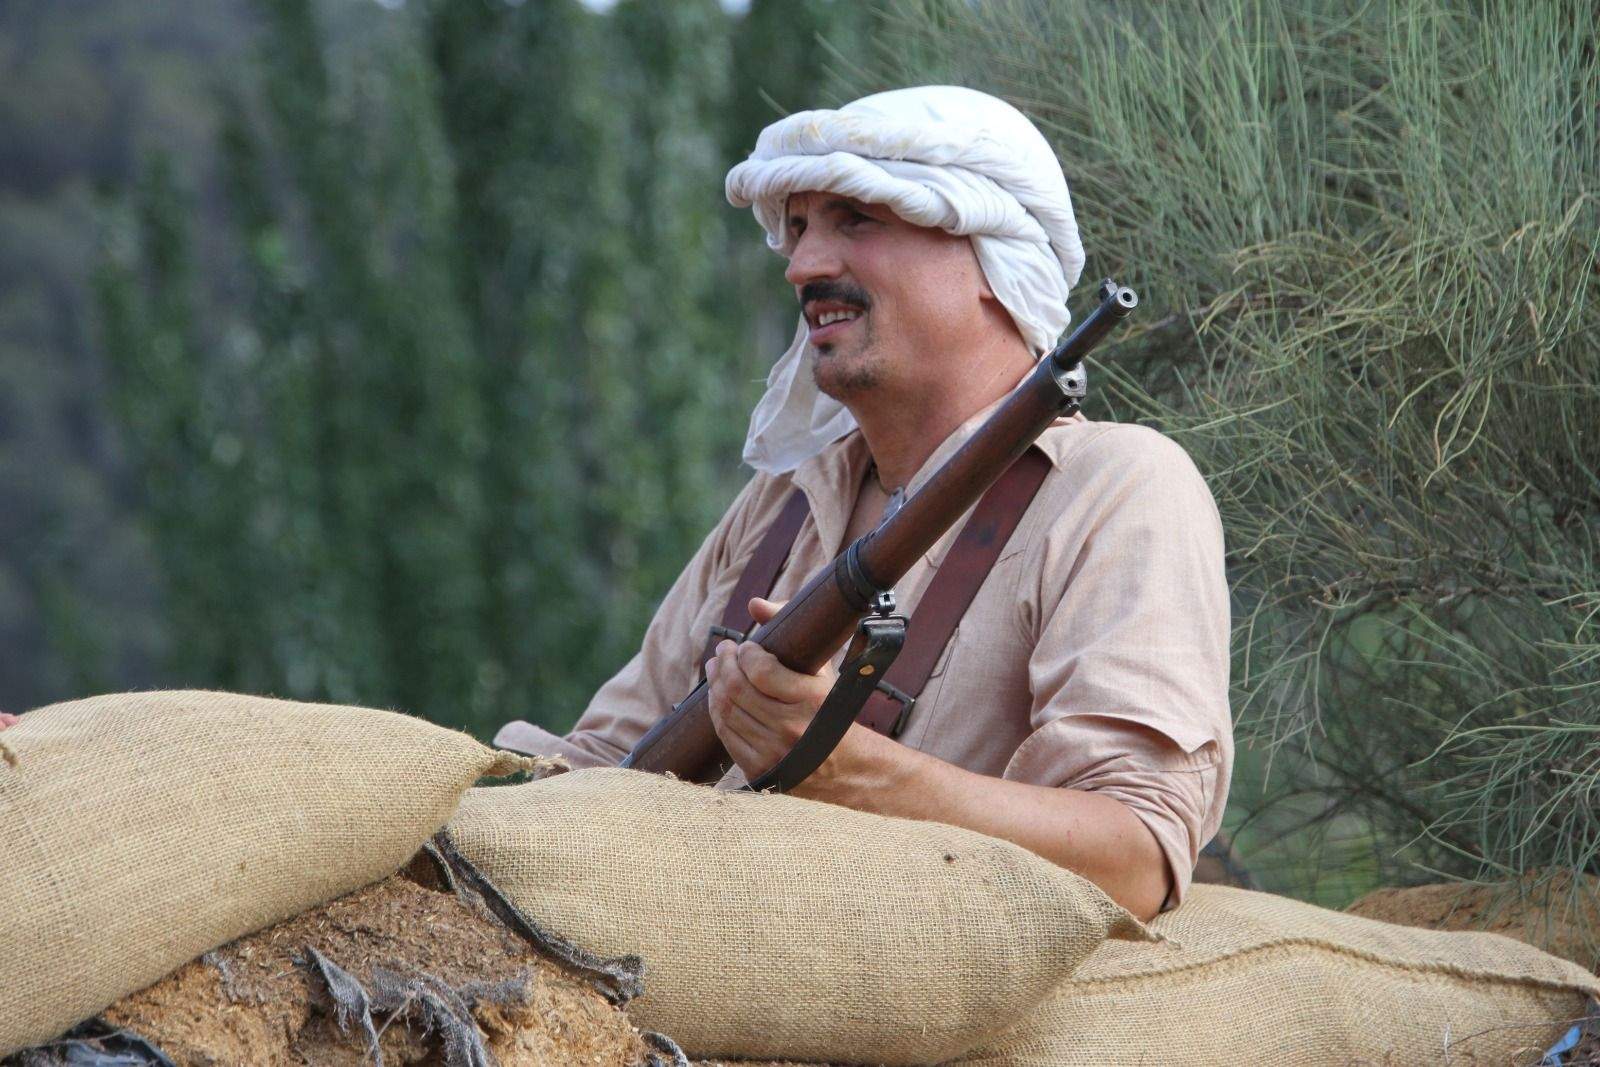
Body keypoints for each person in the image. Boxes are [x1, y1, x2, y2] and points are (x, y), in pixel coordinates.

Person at [493, 86, 1234, 921]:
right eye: (799, 226)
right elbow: (602, 757)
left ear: (991, 260)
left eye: (856, 219)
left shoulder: (1120, 488)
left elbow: (1135, 857)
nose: (802, 265)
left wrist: (846, 770)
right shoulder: (784, 502)